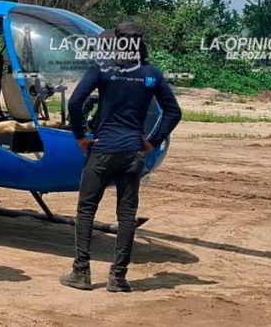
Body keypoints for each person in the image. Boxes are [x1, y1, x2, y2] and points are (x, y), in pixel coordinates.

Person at [61, 21, 182, 292]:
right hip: (132, 154)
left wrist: (80, 135)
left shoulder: (102, 69)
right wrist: (151, 142)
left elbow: (75, 102)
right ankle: (118, 278)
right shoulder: (151, 73)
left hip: (102, 151)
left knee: (86, 210)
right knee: (126, 215)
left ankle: (81, 272)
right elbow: (173, 112)